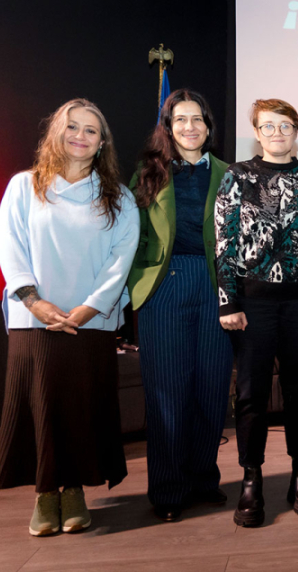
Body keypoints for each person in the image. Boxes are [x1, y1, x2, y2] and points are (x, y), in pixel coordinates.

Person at [0, 98, 140, 536]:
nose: (80, 135)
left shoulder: (119, 197)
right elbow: (10, 245)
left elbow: (121, 258)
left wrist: (89, 307)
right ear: (56, 133)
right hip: (34, 319)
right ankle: (44, 494)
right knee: (39, 405)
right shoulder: (24, 186)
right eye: (72, 127)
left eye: (91, 130)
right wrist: (34, 301)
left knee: (81, 407)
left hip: (89, 322)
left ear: (102, 143)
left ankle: (74, 490)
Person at [215, 99, 298, 527]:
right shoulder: (237, 176)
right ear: (257, 132)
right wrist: (229, 301)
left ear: (296, 130)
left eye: (284, 125)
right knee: (251, 394)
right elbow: (224, 242)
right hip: (253, 304)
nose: (276, 133)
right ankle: (251, 477)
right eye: (268, 126)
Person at [127, 89, 234, 522]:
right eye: (180, 120)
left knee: (211, 389)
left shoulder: (229, 173)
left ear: (209, 127)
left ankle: (204, 479)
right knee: (167, 394)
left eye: (198, 120)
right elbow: (131, 236)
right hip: (164, 287)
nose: (190, 127)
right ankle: (168, 490)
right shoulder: (149, 172)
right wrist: (137, 286)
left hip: (216, 288)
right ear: (168, 127)